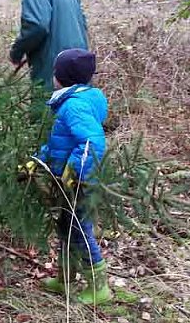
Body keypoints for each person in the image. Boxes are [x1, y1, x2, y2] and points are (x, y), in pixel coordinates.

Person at [36, 48, 111, 305]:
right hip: (64, 179)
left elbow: (92, 142)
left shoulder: (74, 106)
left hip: (78, 182)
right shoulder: (72, 101)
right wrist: (37, 161)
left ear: (60, 77)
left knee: (79, 230)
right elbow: (60, 142)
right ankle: (65, 278)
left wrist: (75, 171)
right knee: (65, 228)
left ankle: (99, 287)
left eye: (55, 71)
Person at [8, 0, 88, 91]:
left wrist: (16, 52)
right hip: (79, 70)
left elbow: (36, 26)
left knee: (44, 112)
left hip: (52, 72)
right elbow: (83, 25)